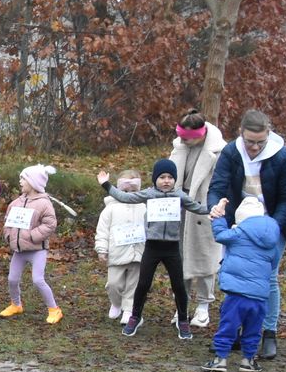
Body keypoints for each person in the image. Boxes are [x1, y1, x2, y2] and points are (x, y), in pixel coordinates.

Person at [208, 109, 286, 358]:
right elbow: (217, 187)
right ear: (241, 134)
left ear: (269, 135)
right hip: (240, 224)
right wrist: (215, 207)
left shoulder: (280, 155)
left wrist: (273, 227)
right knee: (235, 274)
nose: (255, 147)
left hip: (272, 224)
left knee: (268, 278)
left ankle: (268, 333)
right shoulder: (231, 152)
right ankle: (233, 331)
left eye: (260, 142)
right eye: (250, 142)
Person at [98, 160, 211, 340]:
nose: (166, 181)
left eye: (170, 177)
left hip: (172, 248)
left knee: (179, 285)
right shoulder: (149, 194)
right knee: (143, 284)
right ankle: (135, 317)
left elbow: (197, 207)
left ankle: (183, 320)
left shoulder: (179, 196)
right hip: (152, 247)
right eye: (162, 177)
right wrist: (106, 184)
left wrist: (216, 208)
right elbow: (125, 197)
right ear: (155, 179)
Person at [201, 195, 283, 372]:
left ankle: (220, 359)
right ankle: (248, 360)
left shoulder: (238, 234)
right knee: (254, 329)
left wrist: (219, 217)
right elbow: (274, 263)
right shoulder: (272, 239)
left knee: (228, 326)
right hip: (260, 296)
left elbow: (220, 234)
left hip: (237, 294)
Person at [169, 109, 226, 327]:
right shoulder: (179, 147)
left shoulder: (219, 152)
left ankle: (203, 305)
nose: (183, 141)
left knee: (205, 257)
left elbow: (223, 183)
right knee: (179, 258)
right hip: (180, 208)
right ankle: (181, 304)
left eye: (188, 137)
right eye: (181, 136)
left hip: (204, 208)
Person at [0, 164, 62, 324]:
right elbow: (7, 221)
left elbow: (50, 224)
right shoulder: (15, 203)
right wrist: (8, 235)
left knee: (37, 280)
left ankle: (54, 309)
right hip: (19, 251)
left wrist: (32, 236)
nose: (20, 181)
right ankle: (16, 305)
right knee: (12, 279)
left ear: (34, 182)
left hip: (37, 250)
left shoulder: (44, 203)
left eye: (23, 178)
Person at [94, 169, 147, 324]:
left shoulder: (144, 207)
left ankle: (129, 310)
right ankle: (116, 302)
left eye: (133, 191)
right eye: (124, 191)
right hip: (116, 253)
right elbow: (102, 230)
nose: (128, 195)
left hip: (138, 253)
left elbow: (150, 228)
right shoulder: (110, 208)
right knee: (113, 284)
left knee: (133, 284)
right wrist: (102, 249)